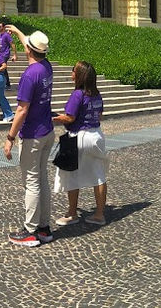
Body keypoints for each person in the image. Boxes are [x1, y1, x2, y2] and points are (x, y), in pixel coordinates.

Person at [2, 26, 56, 247]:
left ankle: (30, 231)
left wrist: (10, 137)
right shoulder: (46, 67)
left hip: (32, 134)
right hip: (48, 131)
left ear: (29, 52)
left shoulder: (29, 75)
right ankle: (44, 228)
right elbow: (30, 46)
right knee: (42, 179)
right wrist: (16, 31)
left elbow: (22, 110)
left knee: (32, 183)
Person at [54, 61, 108, 227]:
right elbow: (99, 116)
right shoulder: (96, 94)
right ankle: (99, 214)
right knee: (99, 175)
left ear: (79, 75)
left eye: (73, 71)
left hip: (80, 136)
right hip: (96, 135)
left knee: (71, 174)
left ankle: (72, 213)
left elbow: (70, 118)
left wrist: (54, 117)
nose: (71, 73)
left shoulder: (78, 94)